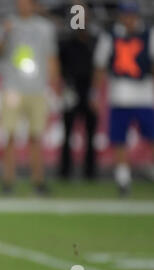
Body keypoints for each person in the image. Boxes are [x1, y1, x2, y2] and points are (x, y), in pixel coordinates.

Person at [0, 0, 61, 195]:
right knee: (9, 135)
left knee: (36, 137)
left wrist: (54, 86)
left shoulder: (45, 27)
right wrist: (5, 32)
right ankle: (8, 181)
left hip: (37, 88)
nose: (23, 5)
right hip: (12, 87)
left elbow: (51, 56)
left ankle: (38, 181)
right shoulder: (6, 24)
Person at [91, 1, 154, 196]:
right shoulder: (110, 36)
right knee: (119, 139)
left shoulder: (148, 34)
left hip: (144, 93)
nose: (128, 19)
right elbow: (100, 67)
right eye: (125, 15)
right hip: (119, 94)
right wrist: (94, 93)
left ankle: (149, 167)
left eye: (131, 15)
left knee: (151, 135)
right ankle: (123, 177)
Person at [58, 3, 98, 180]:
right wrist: (64, 87)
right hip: (71, 88)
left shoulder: (94, 41)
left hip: (88, 89)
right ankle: (65, 171)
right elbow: (60, 67)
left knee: (91, 134)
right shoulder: (66, 42)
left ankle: (90, 172)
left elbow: (99, 67)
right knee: (67, 132)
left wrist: (94, 92)